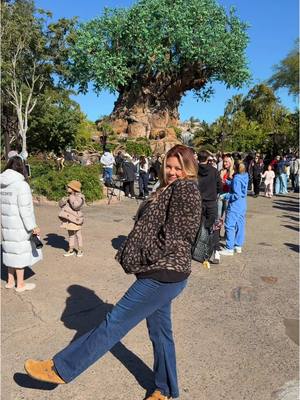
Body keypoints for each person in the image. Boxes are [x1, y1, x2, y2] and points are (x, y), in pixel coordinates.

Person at [24, 145, 202, 400]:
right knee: (161, 333)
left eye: (178, 168)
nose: (172, 172)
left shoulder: (185, 189)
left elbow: (174, 237)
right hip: (164, 272)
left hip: (162, 273)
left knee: (114, 322)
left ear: (189, 169)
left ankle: (61, 368)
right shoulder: (167, 188)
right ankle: (165, 389)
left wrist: (142, 257)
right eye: (169, 166)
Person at [1, 155, 41, 292]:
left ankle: (10, 281)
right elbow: (25, 210)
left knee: (9, 251)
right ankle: (21, 284)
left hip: (6, 224)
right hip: (20, 225)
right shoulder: (21, 185)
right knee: (19, 253)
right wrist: (33, 226)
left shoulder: (2, 184)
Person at [219, 161, 249, 256]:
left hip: (235, 205)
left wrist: (225, 196)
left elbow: (236, 194)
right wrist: (226, 181)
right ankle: (238, 245)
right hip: (242, 204)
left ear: (235, 167)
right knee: (240, 225)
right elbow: (237, 186)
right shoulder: (245, 176)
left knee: (229, 225)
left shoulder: (236, 178)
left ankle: (229, 248)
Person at [198, 150, 222, 264]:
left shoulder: (195, 170)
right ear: (208, 159)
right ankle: (216, 251)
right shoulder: (214, 170)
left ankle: (200, 250)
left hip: (199, 201)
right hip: (211, 201)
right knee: (214, 226)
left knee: (200, 226)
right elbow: (220, 186)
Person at [58, 180, 85, 257]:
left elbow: (76, 206)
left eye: (69, 187)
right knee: (70, 235)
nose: (67, 187)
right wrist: (63, 201)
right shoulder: (69, 196)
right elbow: (60, 205)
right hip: (69, 218)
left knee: (78, 234)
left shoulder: (79, 197)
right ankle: (71, 249)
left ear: (73, 188)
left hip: (76, 219)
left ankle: (80, 250)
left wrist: (71, 197)